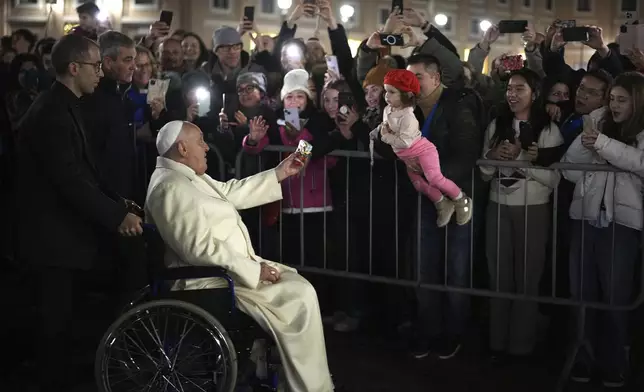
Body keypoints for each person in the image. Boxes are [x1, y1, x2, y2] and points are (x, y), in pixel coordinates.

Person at [145, 120, 334, 392]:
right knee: (299, 296)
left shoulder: (185, 177)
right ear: (183, 148)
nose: (207, 147)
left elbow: (230, 192)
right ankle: (308, 386)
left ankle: (300, 381)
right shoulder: (169, 187)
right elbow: (198, 248)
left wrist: (280, 173)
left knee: (299, 289)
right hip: (206, 282)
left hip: (224, 273)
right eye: (200, 141)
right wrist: (253, 270)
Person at [15, 34, 142, 391]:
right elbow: (70, 180)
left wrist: (119, 205)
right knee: (53, 326)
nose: (100, 73)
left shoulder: (67, 104)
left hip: (63, 234)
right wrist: (117, 217)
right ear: (74, 68)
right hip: (51, 238)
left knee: (64, 321)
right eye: (95, 66)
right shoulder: (53, 112)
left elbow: (85, 172)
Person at [370, 69, 473, 227]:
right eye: (386, 91)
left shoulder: (408, 117)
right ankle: (441, 203)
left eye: (392, 92)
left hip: (422, 151)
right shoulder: (388, 110)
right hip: (407, 157)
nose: (386, 96)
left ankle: (460, 198)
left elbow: (404, 142)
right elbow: (387, 128)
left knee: (434, 178)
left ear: (406, 94)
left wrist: (385, 136)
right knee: (418, 183)